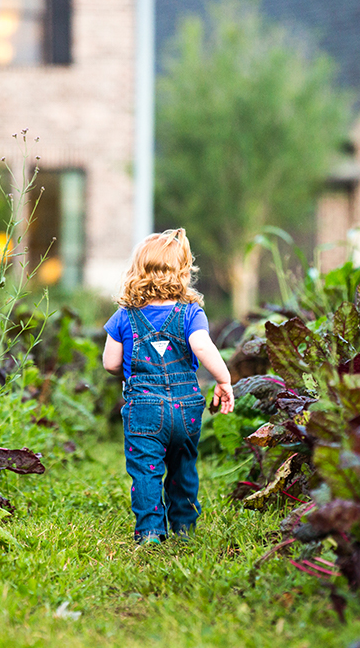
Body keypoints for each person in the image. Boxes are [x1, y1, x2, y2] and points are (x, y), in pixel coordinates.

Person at [103, 228, 234, 545]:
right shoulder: (191, 312)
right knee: (183, 466)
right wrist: (223, 379)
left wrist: (132, 373)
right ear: (184, 272)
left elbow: (109, 362)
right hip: (186, 408)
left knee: (146, 470)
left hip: (144, 408)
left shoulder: (124, 316)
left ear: (136, 271)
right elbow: (201, 347)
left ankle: (150, 531)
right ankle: (184, 527)